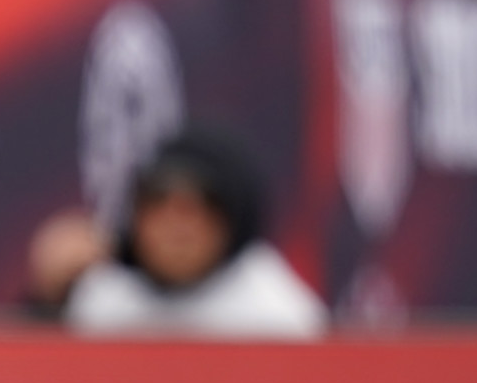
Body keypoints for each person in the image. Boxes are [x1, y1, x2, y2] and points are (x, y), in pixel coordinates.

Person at [65, 132, 327, 338]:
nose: (177, 227)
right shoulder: (102, 301)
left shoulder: (279, 317)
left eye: (197, 208)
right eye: (159, 203)